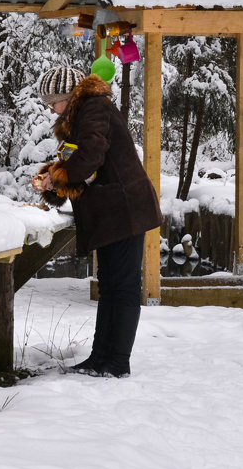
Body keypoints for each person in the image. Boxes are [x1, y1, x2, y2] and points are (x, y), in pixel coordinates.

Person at [32, 65, 162, 378]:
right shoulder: (86, 112)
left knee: (122, 288)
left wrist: (57, 177)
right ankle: (100, 357)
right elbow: (80, 160)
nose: (52, 109)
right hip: (113, 211)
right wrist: (55, 177)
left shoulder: (94, 109)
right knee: (111, 287)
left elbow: (90, 156)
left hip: (123, 209)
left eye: (54, 102)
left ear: (70, 96)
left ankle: (117, 362)